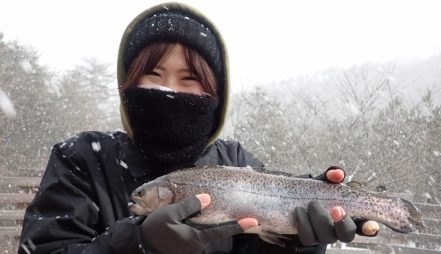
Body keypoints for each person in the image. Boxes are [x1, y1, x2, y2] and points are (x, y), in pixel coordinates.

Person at [18, 2, 379, 254]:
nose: (170, 90)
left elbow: (259, 245)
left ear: (215, 94)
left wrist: (300, 243)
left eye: (189, 79)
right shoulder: (81, 159)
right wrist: (136, 244)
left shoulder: (236, 160)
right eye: (154, 74)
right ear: (127, 83)